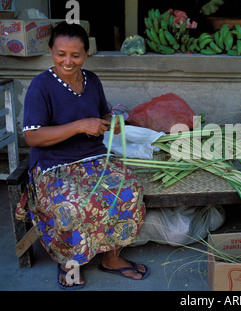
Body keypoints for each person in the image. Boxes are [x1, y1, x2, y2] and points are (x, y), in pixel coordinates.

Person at [15, 22, 149, 289]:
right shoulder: (40, 87)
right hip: (53, 166)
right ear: (51, 51)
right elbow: (32, 136)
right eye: (60, 53)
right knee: (72, 205)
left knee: (129, 190)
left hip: (93, 158)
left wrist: (113, 121)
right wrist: (79, 125)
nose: (67, 61)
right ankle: (69, 262)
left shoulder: (92, 80)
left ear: (86, 54)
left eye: (75, 55)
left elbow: (103, 114)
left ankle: (111, 257)